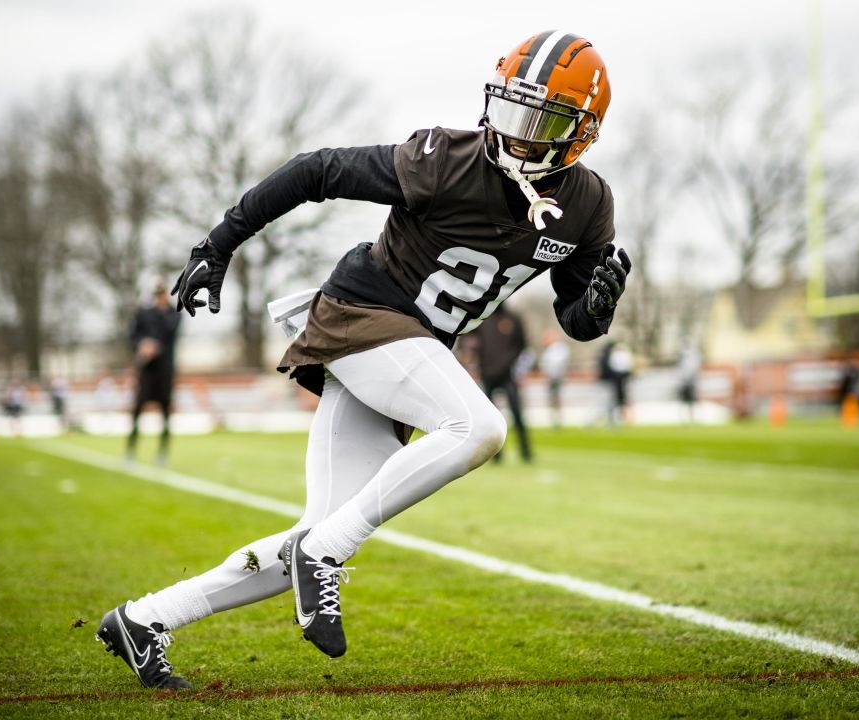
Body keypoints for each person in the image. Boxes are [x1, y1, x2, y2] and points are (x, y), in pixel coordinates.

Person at [96, 31, 631, 689]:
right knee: (480, 428)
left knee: (318, 527)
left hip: (411, 349)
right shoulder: (444, 159)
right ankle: (325, 554)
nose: (518, 133)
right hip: (365, 316)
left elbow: (574, 318)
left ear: (582, 132)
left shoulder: (588, 204)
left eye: (540, 120)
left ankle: (145, 620)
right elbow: (315, 169)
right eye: (512, 109)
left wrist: (598, 309)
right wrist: (220, 242)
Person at [467, 305, 533, 463]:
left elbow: (522, 345)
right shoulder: (482, 318)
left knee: (517, 414)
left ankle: (526, 453)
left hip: (508, 375)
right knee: (490, 419)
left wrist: (511, 365)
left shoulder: (513, 318)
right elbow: (469, 341)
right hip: (487, 375)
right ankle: (496, 456)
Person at [125, 285, 183, 466]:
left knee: (166, 412)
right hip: (147, 371)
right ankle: (130, 452)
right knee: (138, 409)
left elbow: (168, 333)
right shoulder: (144, 314)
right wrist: (143, 344)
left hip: (165, 371)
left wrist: (154, 346)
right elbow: (133, 336)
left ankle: (162, 453)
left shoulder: (174, 315)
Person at [539, 329, 571, 429]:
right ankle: (555, 419)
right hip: (551, 378)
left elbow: (555, 364)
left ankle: (558, 420)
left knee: (556, 399)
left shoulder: (559, 348)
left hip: (556, 377)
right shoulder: (550, 349)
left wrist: (552, 375)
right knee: (553, 399)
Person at [606, 342, 633, 426]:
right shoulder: (617, 355)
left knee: (622, 399)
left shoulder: (623, 355)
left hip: (622, 378)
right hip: (617, 379)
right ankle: (617, 417)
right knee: (616, 399)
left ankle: (623, 417)